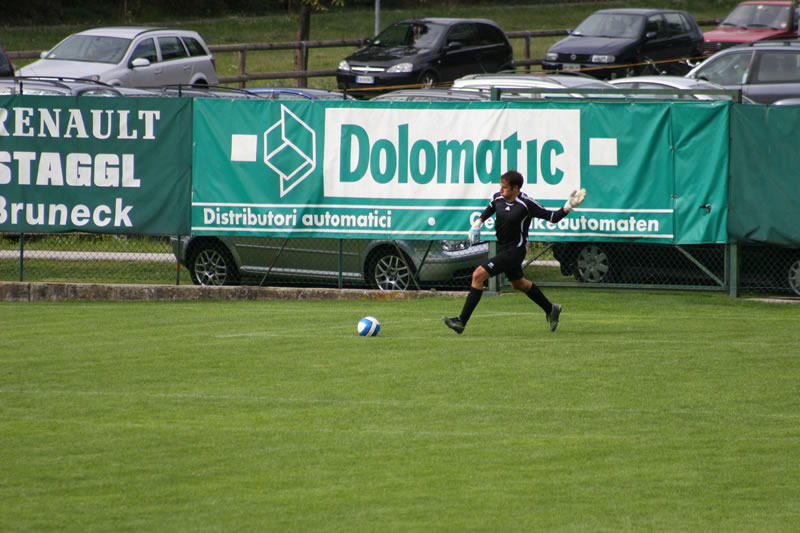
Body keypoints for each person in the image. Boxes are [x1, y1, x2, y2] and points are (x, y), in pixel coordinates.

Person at [443, 170, 586, 334]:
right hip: (503, 249)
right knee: (519, 284)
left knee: (477, 275)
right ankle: (551, 309)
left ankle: (461, 321)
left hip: (515, 251)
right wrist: (478, 222)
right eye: (501, 186)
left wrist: (568, 206)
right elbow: (491, 207)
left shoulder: (526, 204)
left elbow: (552, 217)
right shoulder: (498, 197)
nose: (501, 190)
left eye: (505, 187)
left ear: (516, 188)